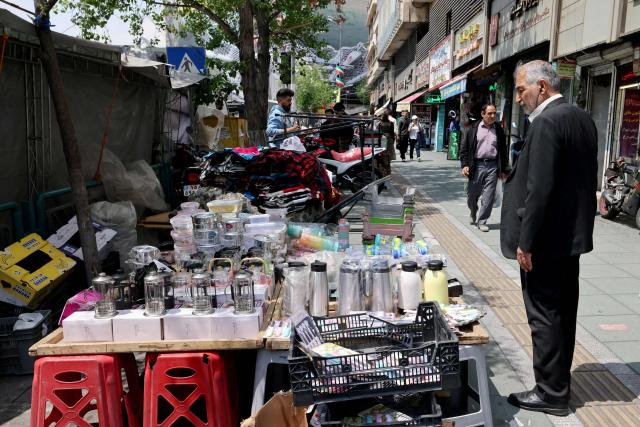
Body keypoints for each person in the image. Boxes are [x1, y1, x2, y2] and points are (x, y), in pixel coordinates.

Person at [501, 60, 598, 416]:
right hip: (569, 239)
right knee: (562, 314)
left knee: (543, 316)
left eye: (521, 89)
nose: (519, 97)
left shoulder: (546, 122)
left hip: (544, 242)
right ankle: (557, 385)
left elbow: (538, 189)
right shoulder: (581, 118)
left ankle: (550, 392)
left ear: (541, 87)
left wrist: (526, 242)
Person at [460, 103, 508, 232]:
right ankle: (473, 211)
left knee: (488, 196)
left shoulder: (498, 129)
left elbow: (503, 151)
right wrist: (464, 165)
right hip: (476, 166)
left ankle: (482, 221)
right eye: (490, 113)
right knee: (472, 195)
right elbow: (464, 149)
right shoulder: (472, 128)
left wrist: (503, 170)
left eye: (494, 113)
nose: (493, 116)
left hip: (493, 166)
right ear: (482, 114)